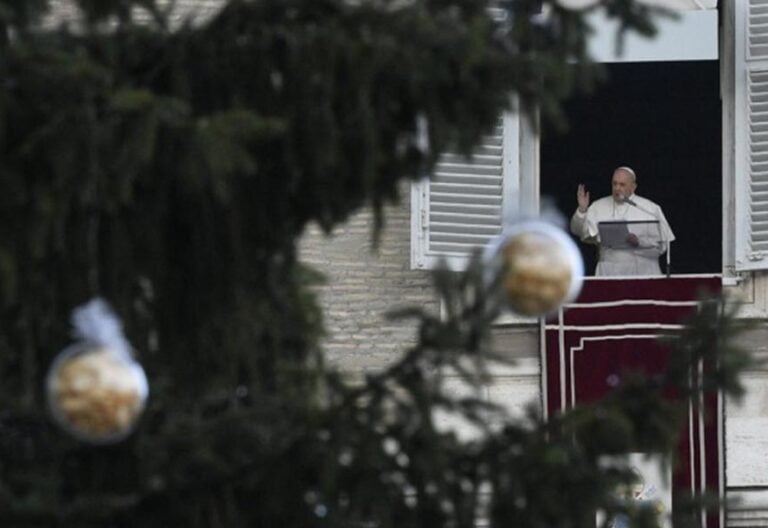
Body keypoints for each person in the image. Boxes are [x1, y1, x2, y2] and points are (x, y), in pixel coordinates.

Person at [570, 166, 675, 276]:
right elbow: (579, 232)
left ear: (633, 187)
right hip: (609, 270)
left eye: (622, 185)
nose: (617, 188)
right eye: (614, 184)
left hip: (643, 269)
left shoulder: (650, 208)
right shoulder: (598, 206)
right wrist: (582, 210)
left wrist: (639, 242)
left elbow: (662, 245)